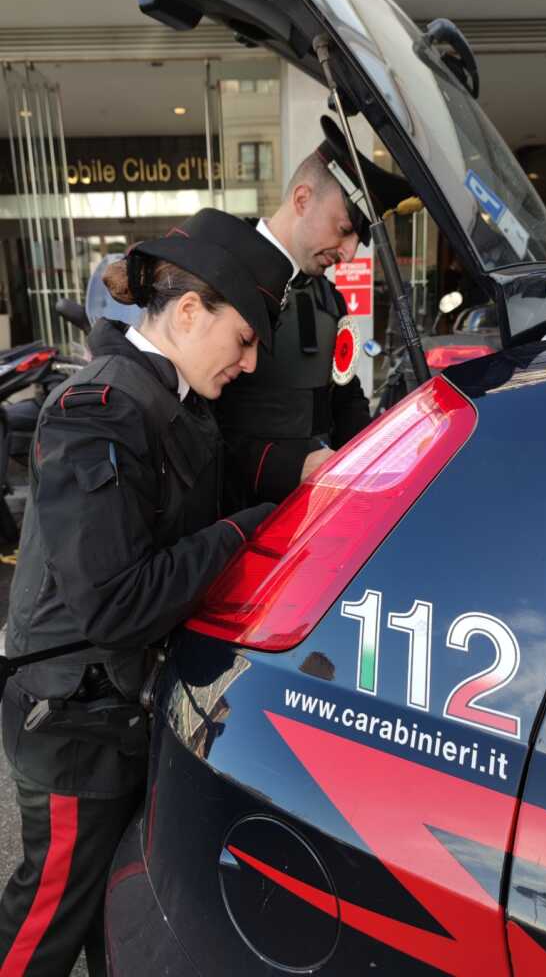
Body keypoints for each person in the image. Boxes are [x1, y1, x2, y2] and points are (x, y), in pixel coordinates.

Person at [0, 208, 292, 977]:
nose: (251, 364)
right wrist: (245, 531)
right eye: (245, 339)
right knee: (46, 920)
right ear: (190, 312)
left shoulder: (173, 403)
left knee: (108, 909)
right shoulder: (96, 409)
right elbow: (116, 602)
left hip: (116, 715)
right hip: (71, 724)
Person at [217, 115, 414, 506]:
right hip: (235, 522)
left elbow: (344, 397)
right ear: (303, 199)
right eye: (344, 230)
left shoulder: (328, 297)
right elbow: (191, 421)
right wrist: (293, 466)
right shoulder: (220, 277)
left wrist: (382, 456)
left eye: (357, 240)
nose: (348, 254)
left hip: (315, 517)